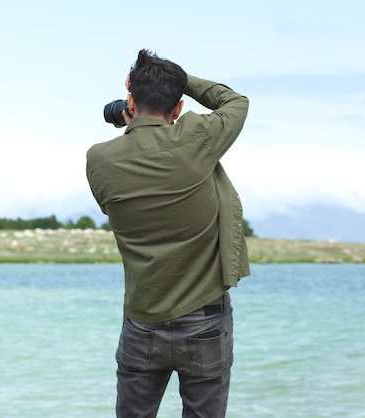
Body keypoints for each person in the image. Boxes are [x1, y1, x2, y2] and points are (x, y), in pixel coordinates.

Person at [86, 49, 250, 418]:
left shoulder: (98, 159)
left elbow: (109, 202)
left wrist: (140, 107)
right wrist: (179, 79)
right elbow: (234, 101)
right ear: (177, 109)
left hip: (142, 321)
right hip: (205, 319)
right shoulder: (196, 138)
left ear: (130, 100)